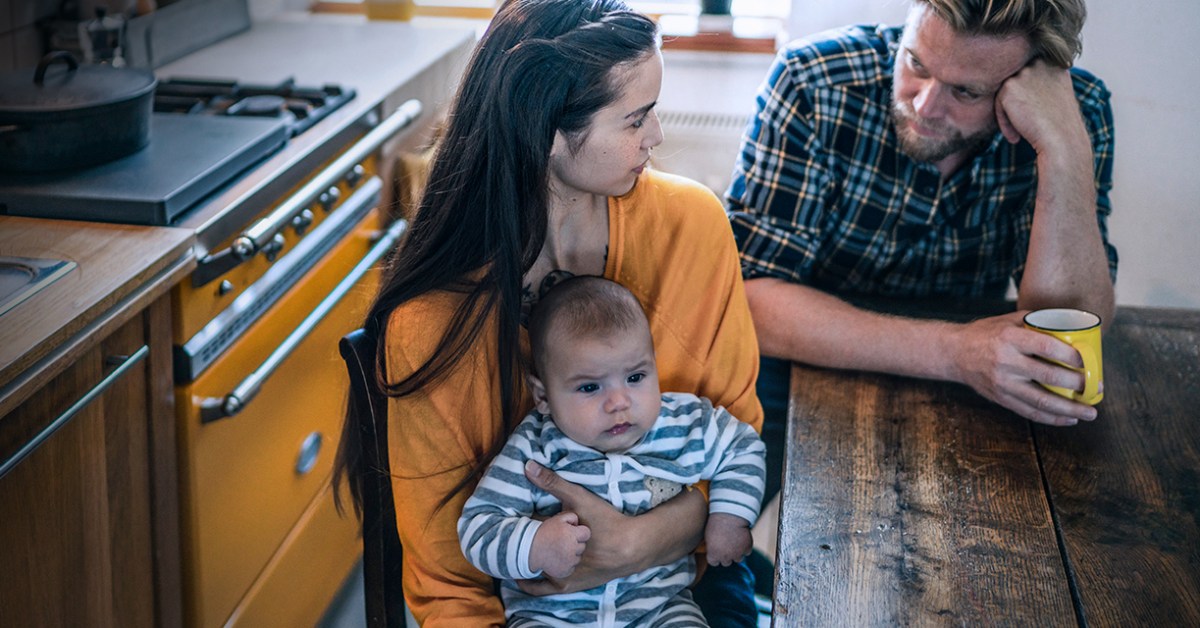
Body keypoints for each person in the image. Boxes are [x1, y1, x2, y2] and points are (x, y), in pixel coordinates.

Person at [332, 1, 764, 626]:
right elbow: (450, 583)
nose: (656, 137)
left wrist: (634, 544)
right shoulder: (428, 328)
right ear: (550, 131)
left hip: (684, 585)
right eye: (636, 118)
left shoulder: (692, 227)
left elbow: (735, 449)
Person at [726, 0, 1118, 504]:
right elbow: (751, 303)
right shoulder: (813, 81)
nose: (926, 105)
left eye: (966, 91)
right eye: (915, 63)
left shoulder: (1074, 113)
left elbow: (1073, 325)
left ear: (1032, 79)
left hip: (975, 374)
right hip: (802, 351)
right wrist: (954, 352)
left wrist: (1063, 148)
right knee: (715, 514)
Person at [458, 276, 766, 627]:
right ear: (543, 396)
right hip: (552, 616)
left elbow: (742, 447)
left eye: (635, 378)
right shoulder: (535, 449)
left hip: (658, 608)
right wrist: (534, 544)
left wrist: (729, 517)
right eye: (590, 387)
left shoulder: (681, 423)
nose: (619, 402)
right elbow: (477, 527)